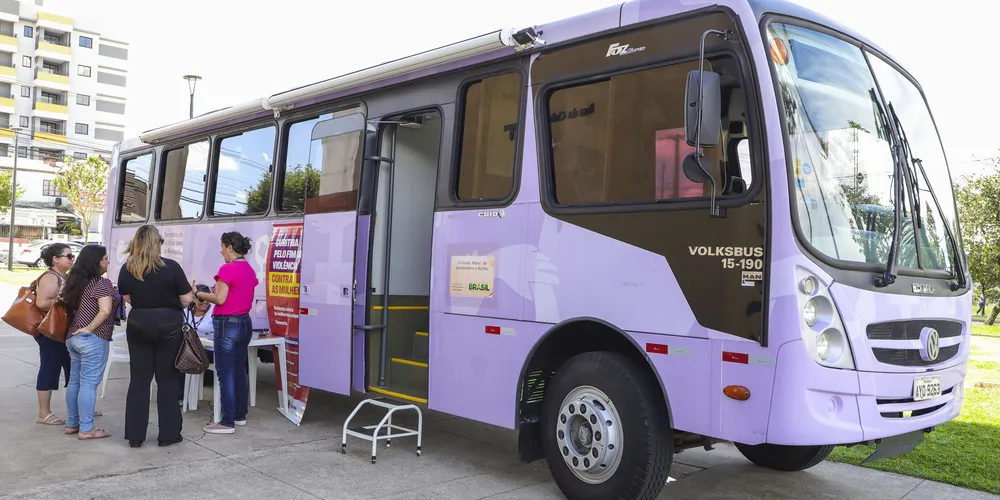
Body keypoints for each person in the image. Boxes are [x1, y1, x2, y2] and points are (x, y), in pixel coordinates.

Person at [117, 225, 194, 448]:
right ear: (157, 243)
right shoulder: (171, 267)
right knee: (167, 380)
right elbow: (187, 299)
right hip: (168, 324)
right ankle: (168, 434)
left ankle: (135, 435)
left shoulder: (127, 268)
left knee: (139, 380)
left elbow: (127, 297)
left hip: (139, 322)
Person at [194, 231, 258, 434]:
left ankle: (226, 421)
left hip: (227, 325)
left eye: (222, 247)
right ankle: (239, 415)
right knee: (239, 369)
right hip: (244, 323)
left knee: (225, 372)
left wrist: (199, 293)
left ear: (230, 247)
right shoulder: (248, 269)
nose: (221, 251)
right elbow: (237, 293)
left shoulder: (227, 269)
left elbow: (220, 299)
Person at [63, 245, 118, 440]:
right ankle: (87, 429)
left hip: (72, 337)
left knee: (75, 381)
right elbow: (104, 311)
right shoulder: (101, 283)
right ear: (96, 261)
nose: (108, 262)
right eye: (105, 258)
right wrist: (89, 328)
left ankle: (72, 424)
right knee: (88, 384)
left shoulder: (74, 282)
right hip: (92, 338)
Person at [31, 243, 74, 427]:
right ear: (55, 259)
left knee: (72, 367)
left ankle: (78, 406)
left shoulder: (63, 276)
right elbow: (41, 303)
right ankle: (43, 413)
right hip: (50, 331)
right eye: (69, 256)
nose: (72, 259)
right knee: (50, 367)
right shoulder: (50, 277)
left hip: (60, 330)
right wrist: (65, 305)